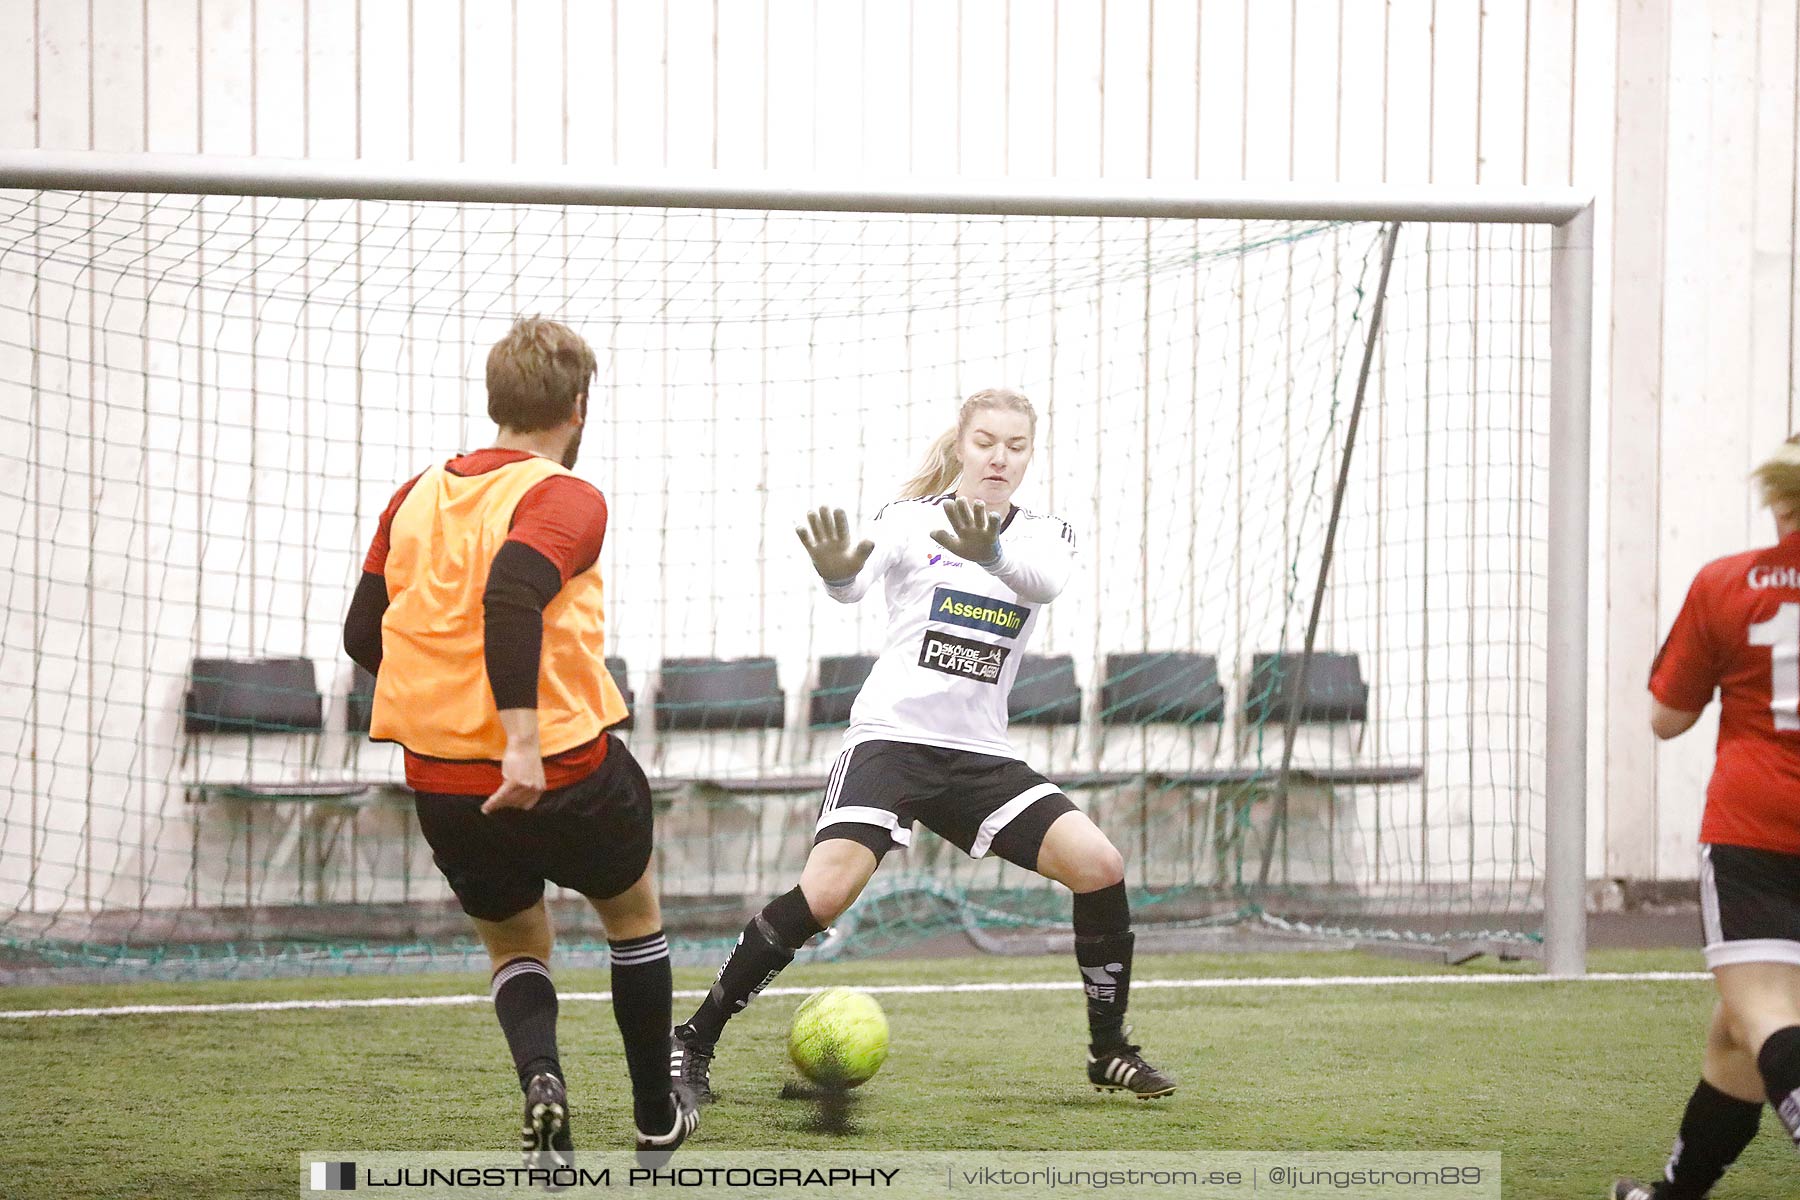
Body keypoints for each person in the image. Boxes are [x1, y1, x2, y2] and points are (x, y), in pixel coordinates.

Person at [667, 387, 1175, 1105]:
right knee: (828, 892)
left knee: (1099, 865)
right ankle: (692, 1042)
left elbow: (1045, 583)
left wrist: (992, 551)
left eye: (1016, 446)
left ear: (1030, 454)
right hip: (893, 741)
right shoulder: (910, 521)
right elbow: (853, 585)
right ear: (962, 444)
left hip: (979, 756)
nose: (1000, 457)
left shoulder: (1044, 535)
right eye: (986, 442)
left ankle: (1108, 1049)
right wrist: (839, 570)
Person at [342, 317, 697, 1165]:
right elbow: (513, 592)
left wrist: (449, 704)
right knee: (632, 916)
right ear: (578, 406)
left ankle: (544, 1085)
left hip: (443, 782)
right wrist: (521, 741)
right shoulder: (566, 496)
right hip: (562, 768)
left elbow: (364, 634)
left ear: (496, 399)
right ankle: (655, 1118)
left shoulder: (415, 493)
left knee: (514, 943)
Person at [1615, 435, 1800, 1199]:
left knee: (1764, 1018)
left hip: (1757, 830)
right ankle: (1673, 1195)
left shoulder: (1727, 583)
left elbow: (1666, 718)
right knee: (1736, 1033)